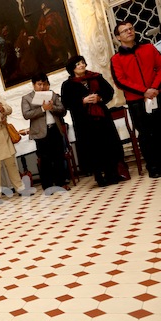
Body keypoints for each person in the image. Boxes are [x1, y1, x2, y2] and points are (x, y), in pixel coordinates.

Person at [61, 56, 124, 187]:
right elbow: (65, 104)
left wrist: (99, 98)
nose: (82, 65)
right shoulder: (67, 85)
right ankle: (99, 177)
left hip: (102, 118)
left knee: (108, 144)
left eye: (83, 62)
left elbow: (109, 91)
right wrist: (82, 101)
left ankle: (113, 174)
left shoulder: (96, 77)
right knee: (92, 148)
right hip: (84, 122)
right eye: (78, 64)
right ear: (72, 68)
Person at [110, 20, 161, 179]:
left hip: (157, 95)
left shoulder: (148, 48)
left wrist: (154, 88)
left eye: (130, 29)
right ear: (118, 37)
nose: (129, 32)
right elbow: (120, 81)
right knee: (146, 134)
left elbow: (160, 68)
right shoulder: (116, 59)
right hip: (136, 101)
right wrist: (144, 91)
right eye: (124, 31)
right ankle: (153, 166)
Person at [21, 72, 70, 192]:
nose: (42, 87)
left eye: (44, 84)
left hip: (55, 129)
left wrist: (52, 108)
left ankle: (61, 183)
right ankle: (47, 185)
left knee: (59, 157)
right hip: (40, 132)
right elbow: (26, 114)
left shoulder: (52, 94)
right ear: (33, 85)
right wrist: (43, 109)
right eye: (39, 84)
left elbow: (63, 111)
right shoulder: (27, 98)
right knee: (45, 159)